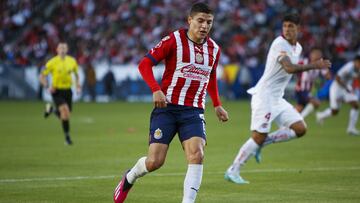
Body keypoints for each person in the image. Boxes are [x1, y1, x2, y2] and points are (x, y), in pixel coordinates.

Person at [113, 3, 229, 203]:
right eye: (200, 21)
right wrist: (156, 89)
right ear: (189, 20)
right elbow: (145, 64)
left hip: (193, 110)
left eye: (209, 22)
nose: (204, 26)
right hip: (166, 109)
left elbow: (210, 77)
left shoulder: (214, 49)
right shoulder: (174, 40)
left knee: (197, 154)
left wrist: (216, 104)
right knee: (155, 162)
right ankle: (130, 177)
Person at [224, 13, 331, 184]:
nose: (287, 29)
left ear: (299, 28)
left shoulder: (298, 48)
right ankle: (233, 170)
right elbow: (288, 68)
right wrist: (314, 65)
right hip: (264, 95)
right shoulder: (279, 44)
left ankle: (263, 143)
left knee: (300, 128)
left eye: (291, 26)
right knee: (257, 136)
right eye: (285, 26)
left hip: (277, 98)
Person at [39, 42, 81, 145]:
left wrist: (78, 86)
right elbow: (42, 76)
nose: (62, 49)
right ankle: (67, 138)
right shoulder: (52, 62)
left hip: (68, 90)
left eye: (64, 48)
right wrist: (47, 86)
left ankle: (52, 109)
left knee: (66, 115)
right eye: (60, 48)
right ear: (57, 50)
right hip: (57, 90)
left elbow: (76, 75)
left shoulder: (72, 61)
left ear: (67, 50)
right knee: (65, 111)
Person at [316, 55, 360, 135]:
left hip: (346, 88)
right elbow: (337, 77)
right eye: (358, 63)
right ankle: (321, 115)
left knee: (356, 105)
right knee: (335, 111)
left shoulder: (358, 69)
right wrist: (346, 87)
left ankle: (351, 128)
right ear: (355, 61)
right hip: (336, 88)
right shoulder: (348, 67)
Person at [294, 48, 331, 118]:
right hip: (300, 89)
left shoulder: (319, 65)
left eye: (319, 55)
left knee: (299, 108)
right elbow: (294, 68)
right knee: (316, 103)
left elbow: (328, 76)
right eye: (316, 55)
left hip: (307, 91)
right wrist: (298, 76)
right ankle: (300, 120)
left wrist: (325, 67)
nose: (318, 56)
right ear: (311, 55)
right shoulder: (304, 62)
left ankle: (287, 123)